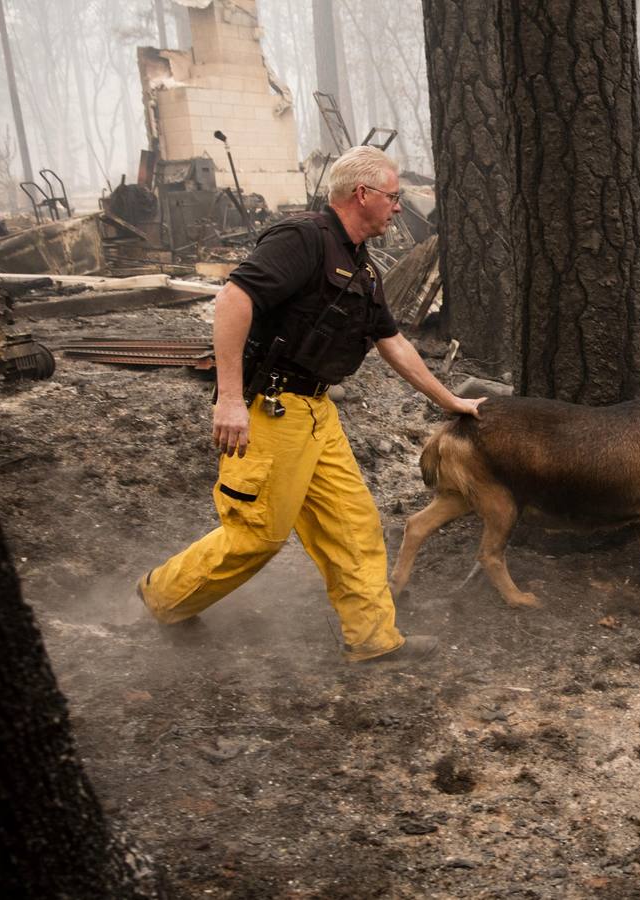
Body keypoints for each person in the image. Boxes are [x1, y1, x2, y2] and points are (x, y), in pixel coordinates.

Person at [137, 146, 483, 663]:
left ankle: (372, 640)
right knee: (256, 535)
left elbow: (391, 342)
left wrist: (449, 399)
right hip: (269, 409)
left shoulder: (362, 267)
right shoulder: (302, 238)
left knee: (354, 525)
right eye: (393, 196)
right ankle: (162, 597)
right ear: (362, 194)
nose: (397, 207)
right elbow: (233, 299)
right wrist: (229, 399)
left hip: (317, 413)